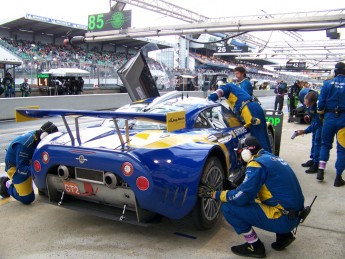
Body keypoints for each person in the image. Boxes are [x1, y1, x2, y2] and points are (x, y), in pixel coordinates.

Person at [199, 136, 305, 258]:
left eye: (240, 153)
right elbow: (265, 192)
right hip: (295, 215)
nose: (240, 157)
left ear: (246, 152)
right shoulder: (271, 158)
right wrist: (235, 189)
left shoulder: (256, 165)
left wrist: (215, 194)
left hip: (284, 218)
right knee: (273, 199)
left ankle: (254, 246)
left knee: (228, 207)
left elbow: (241, 198)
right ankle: (284, 236)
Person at [0, 122, 58, 204]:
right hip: (16, 167)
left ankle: (42, 188)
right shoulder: (25, 145)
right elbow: (21, 169)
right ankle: (6, 184)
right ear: (44, 136)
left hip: (29, 163)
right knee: (27, 199)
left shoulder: (39, 139)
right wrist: (38, 171)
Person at [208, 83, 272, 152]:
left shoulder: (226, 86)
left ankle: (262, 160)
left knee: (258, 139)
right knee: (263, 136)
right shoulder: (235, 93)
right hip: (255, 107)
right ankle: (269, 158)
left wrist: (208, 99)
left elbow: (218, 93)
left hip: (249, 110)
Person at [317, 62, 345, 187]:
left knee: (325, 145)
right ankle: (338, 177)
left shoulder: (327, 84)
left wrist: (321, 115)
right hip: (344, 119)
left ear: (335, 71)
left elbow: (321, 103)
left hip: (329, 118)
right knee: (342, 149)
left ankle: (321, 170)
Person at [293, 91, 322, 174]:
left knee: (317, 144)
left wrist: (304, 131)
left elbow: (317, 124)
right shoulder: (310, 105)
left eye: (307, 103)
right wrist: (308, 116)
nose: (306, 105)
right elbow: (310, 112)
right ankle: (313, 159)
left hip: (320, 126)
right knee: (314, 142)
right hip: (315, 123)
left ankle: (316, 164)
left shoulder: (318, 107)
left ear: (312, 102)